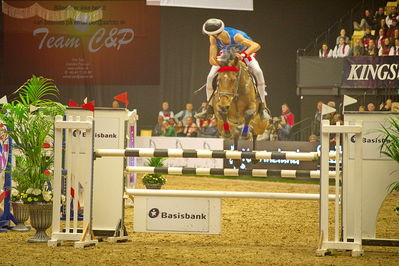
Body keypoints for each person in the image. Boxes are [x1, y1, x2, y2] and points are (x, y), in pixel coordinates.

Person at [196, 18, 269, 121]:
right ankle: (209, 108)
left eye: (210, 34)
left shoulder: (236, 36)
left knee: (258, 71)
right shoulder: (213, 38)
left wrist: (243, 55)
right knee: (210, 77)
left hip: (244, 54)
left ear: (217, 33)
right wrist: (220, 64)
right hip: (226, 56)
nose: (209, 36)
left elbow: (256, 45)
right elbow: (211, 59)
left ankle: (262, 107)